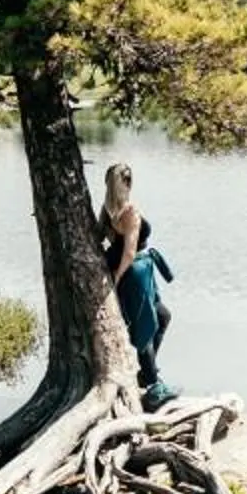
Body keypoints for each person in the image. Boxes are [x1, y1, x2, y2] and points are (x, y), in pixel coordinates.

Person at [94, 162, 179, 410]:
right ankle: (154, 388)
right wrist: (118, 277)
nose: (131, 184)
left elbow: (98, 238)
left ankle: (146, 373)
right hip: (134, 273)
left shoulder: (107, 211)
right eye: (129, 180)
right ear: (126, 183)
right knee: (145, 326)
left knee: (162, 316)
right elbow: (129, 252)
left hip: (136, 270)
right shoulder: (130, 212)